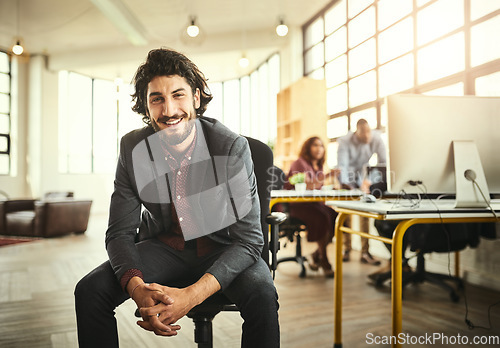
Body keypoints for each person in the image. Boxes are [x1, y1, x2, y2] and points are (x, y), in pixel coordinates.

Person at [74, 48, 280, 348]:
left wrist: (190, 297)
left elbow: (249, 240)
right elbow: (119, 233)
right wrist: (136, 287)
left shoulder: (230, 147)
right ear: (146, 105)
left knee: (262, 295)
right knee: (90, 291)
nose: (168, 110)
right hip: (167, 246)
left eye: (178, 95)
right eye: (156, 98)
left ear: (196, 98)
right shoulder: (133, 149)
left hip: (226, 247)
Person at [285, 136, 339, 278]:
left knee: (335, 216)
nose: (319, 148)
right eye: (315, 145)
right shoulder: (299, 163)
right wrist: (327, 176)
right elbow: (307, 186)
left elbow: (317, 188)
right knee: (322, 217)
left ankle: (316, 255)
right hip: (298, 206)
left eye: (321, 146)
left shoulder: (319, 166)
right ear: (308, 148)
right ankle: (324, 260)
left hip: (314, 204)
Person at [337, 118, 386, 265]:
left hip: (364, 175)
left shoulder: (377, 138)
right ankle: (347, 249)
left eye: (368, 134)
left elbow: (383, 162)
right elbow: (343, 165)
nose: (366, 138)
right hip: (347, 176)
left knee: (365, 213)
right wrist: (348, 185)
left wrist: (371, 181)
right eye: (363, 135)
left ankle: (365, 252)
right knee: (346, 214)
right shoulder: (345, 141)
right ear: (356, 133)